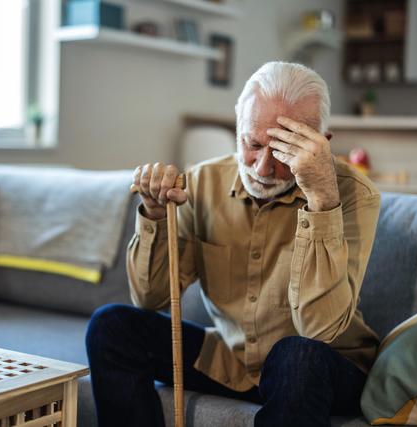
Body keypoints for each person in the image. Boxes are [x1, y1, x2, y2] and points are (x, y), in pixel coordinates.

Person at [86, 61, 381, 427]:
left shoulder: (354, 194)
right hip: (233, 360)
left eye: (284, 151)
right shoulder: (201, 182)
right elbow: (150, 298)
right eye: (253, 144)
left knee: (296, 356)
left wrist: (321, 200)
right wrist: (155, 214)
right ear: (238, 125)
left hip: (324, 365)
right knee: (111, 326)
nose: (263, 168)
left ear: (320, 145)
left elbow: (320, 330)